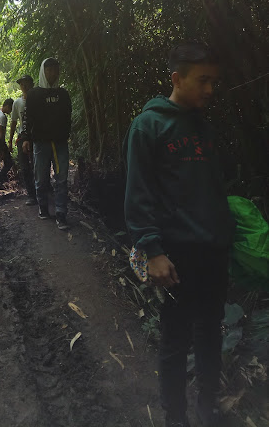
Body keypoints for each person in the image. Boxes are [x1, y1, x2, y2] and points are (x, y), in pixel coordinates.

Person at [123, 42, 235, 427]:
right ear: (177, 78)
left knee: (210, 332)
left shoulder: (203, 125)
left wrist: (226, 235)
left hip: (213, 251)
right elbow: (138, 194)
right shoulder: (149, 125)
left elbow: (212, 188)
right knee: (175, 340)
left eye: (213, 82)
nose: (209, 90)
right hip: (175, 256)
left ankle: (208, 408)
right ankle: (175, 417)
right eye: (202, 81)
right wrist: (151, 250)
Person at [22, 58, 72, 230]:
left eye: (55, 69)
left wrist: (66, 134)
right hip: (40, 143)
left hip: (60, 143)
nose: (53, 73)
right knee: (41, 178)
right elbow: (28, 119)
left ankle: (61, 213)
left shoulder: (63, 94)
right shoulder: (34, 94)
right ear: (43, 71)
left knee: (62, 179)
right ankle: (43, 207)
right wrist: (26, 138)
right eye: (49, 70)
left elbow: (68, 116)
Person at [8, 75, 37, 206]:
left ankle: (42, 190)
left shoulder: (38, 99)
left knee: (38, 165)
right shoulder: (17, 103)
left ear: (32, 84)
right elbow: (14, 121)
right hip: (22, 137)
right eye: (22, 84)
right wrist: (10, 140)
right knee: (25, 167)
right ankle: (31, 194)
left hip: (37, 136)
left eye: (26, 83)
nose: (24, 86)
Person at [0, 98, 14, 194]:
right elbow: (0, 133)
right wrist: (1, 150)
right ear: (8, 106)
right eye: (11, 109)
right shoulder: (1, 117)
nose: (11, 111)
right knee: (8, 163)